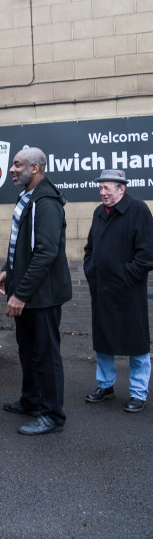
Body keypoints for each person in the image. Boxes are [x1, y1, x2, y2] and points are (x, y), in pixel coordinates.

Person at [0, 147, 72, 436]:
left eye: (17, 165)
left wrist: (21, 294)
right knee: (28, 350)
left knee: (46, 354)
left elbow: (45, 253)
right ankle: (31, 401)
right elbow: (20, 244)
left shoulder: (47, 202)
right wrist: (7, 269)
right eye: (13, 165)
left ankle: (52, 415)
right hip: (28, 290)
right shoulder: (27, 197)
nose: (12, 169)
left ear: (35, 168)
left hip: (43, 296)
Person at [83, 169, 153, 413]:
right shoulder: (99, 212)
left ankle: (137, 392)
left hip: (128, 292)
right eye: (100, 188)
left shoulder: (139, 210)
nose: (102, 193)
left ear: (121, 188)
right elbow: (90, 248)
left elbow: (146, 255)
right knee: (103, 342)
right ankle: (105, 386)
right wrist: (91, 270)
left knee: (137, 344)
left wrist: (127, 276)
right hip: (102, 290)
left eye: (107, 188)